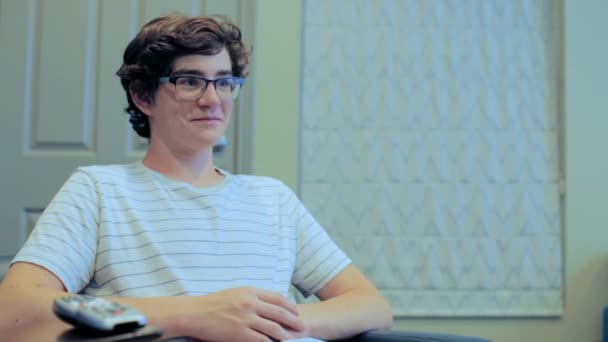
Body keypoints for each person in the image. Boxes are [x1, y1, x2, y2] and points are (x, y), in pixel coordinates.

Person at [0, 15, 392, 341]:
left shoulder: (273, 199)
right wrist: (194, 314)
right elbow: (13, 314)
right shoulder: (98, 191)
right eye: (190, 81)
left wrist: (270, 323)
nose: (212, 99)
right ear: (142, 95)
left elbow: (370, 305)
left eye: (224, 81)